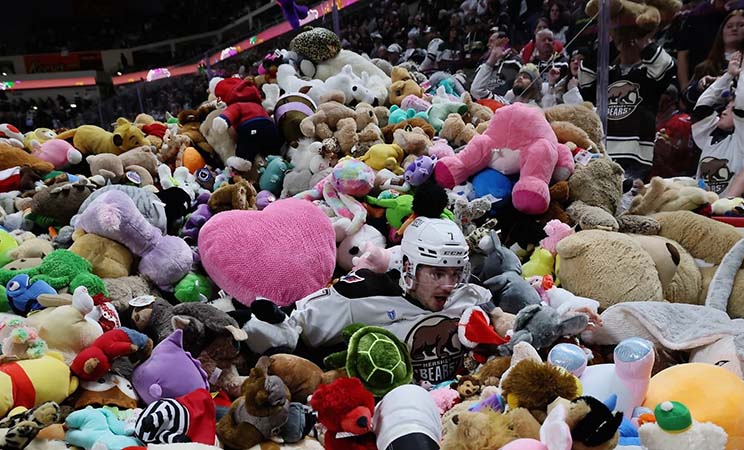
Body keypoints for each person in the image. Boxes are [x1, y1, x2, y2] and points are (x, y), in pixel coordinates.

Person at [242, 217, 518, 386]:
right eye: (437, 273)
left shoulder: (466, 293)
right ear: (409, 267)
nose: (448, 284)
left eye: (455, 274)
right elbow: (294, 327)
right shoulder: (359, 295)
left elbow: (496, 317)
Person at [580, 31, 677, 184]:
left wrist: (641, 40)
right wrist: (614, 43)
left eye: (630, 40)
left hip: (636, 158)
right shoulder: (607, 75)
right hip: (602, 153)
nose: (627, 43)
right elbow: (584, 76)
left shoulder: (648, 76)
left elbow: (666, 65)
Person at [692, 40, 744, 194]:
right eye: (724, 108)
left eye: (730, 109)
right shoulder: (710, 137)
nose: (723, 112)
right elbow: (702, 106)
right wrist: (728, 75)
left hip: (732, 211)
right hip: (703, 211)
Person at [684, 9, 744, 105]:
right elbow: (687, 99)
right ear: (722, 31)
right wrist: (700, 86)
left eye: (741, 25)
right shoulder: (705, 67)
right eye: (729, 26)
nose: (734, 29)